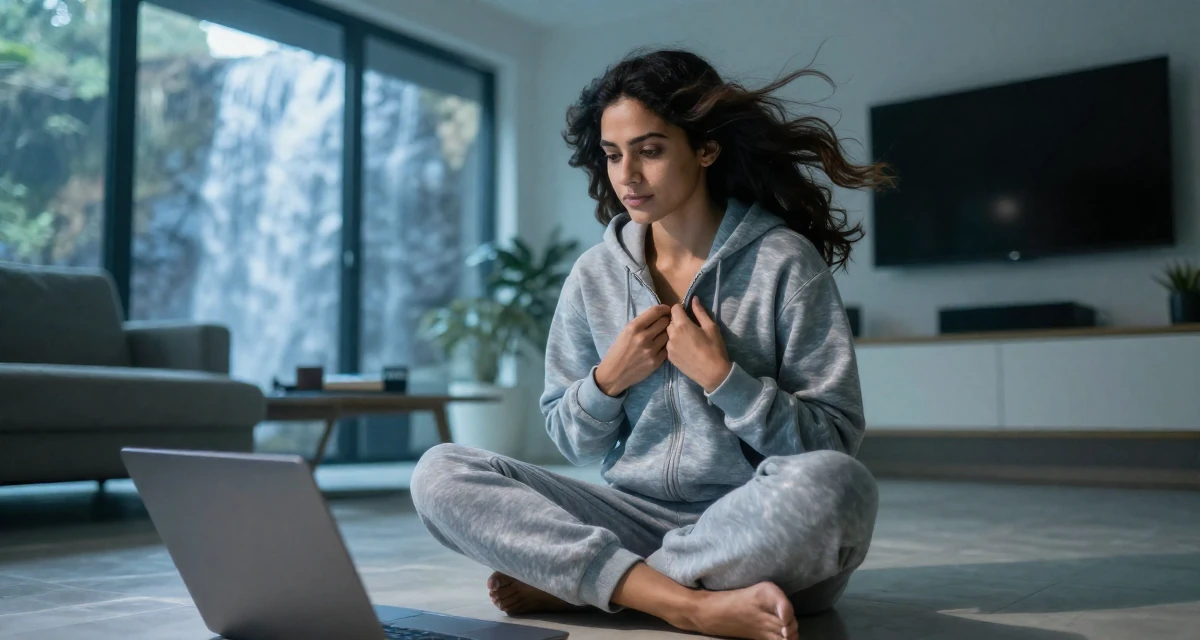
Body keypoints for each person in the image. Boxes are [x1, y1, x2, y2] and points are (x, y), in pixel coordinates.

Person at [410, 48, 894, 640]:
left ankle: (600, 585)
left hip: (751, 524)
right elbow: (571, 440)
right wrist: (606, 381)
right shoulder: (593, 275)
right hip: (631, 516)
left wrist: (725, 381)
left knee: (838, 488)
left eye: (651, 150)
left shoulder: (784, 262)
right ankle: (682, 602)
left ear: (706, 149)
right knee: (440, 470)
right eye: (613, 155)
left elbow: (835, 440)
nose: (627, 176)